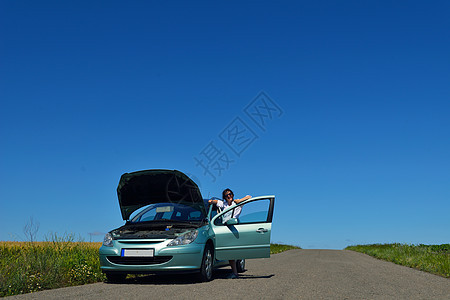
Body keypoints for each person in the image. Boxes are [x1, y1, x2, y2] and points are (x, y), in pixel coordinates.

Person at [208, 188, 252, 279]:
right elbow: (216, 202)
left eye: (230, 194)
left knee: (233, 251)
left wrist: (240, 200)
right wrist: (211, 201)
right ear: (224, 197)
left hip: (234, 228)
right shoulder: (223, 204)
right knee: (229, 252)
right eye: (227, 195)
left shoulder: (237, 204)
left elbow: (249, 197)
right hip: (224, 228)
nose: (229, 196)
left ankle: (235, 272)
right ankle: (235, 273)